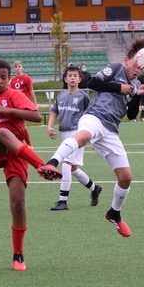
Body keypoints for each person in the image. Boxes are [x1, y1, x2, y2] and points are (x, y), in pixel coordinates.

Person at [37, 38, 144, 237]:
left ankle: (114, 213)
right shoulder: (116, 68)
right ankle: (51, 163)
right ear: (127, 60)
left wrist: (137, 95)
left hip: (111, 129)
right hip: (95, 116)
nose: (138, 69)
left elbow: (131, 114)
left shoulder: (135, 84)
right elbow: (92, 83)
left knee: (126, 177)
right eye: (136, 64)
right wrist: (118, 88)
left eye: (141, 67)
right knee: (83, 136)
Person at [0, 59, 62, 271]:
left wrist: (9, 111)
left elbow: (36, 116)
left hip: (17, 153)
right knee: (2, 132)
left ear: (9, 79)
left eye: (4, 78)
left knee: (18, 204)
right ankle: (41, 165)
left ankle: (18, 254)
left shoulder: (14, 95)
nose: (0, 81)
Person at [46, 65, 102, 211]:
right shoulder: (61, 95)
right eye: (69, 75)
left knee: (66, 164)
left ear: (80, 79)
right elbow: (54, 112)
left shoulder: (83, 96)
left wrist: (92, 138)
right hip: (65, 134)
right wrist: (49, 126)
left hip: (78, 134)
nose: (72, 78)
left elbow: (92, 116)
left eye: (75, 76)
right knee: (73, 168)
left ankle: (62, 201)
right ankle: (94, 188)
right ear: (65, 79)